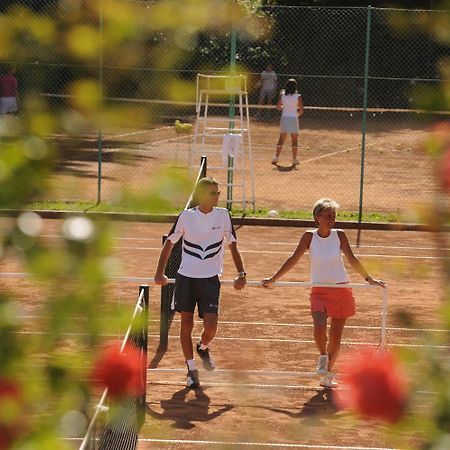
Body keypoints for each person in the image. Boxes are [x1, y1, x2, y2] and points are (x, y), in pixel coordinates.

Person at [261, 198, 385, 388]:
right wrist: (274, 278)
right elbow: (294, 258)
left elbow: (352, 259)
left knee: (336, 336)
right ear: (317, 217)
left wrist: (369, 279)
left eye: (334, 216)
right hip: (319, 290)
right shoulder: (309, 237)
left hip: (341, 288)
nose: (332, 219)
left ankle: (327, 374)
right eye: (328, 216)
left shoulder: (340, 235)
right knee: (319, 327)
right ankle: (322, 356)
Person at [154, 178, 247, 389]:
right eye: (213, 193)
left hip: (210, 279)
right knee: (186, 323)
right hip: (186, 278)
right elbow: (169, 244)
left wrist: (241, 273)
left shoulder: (223, 215)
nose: (217, 196)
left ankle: (203, 347)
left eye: (218, 192)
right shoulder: (186, 216)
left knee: (211, 327)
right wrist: (159, 273)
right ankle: (191, 369)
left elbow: (233, 246)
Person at [272, 78, 303, 167]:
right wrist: (295, 115)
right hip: (293, 118)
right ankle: (294, 159)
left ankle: (276, 158)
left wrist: (285, 108)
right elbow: (301, 110)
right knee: (294, 141)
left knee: (281, 139)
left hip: (284, 118)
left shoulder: (283, 96)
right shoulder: (298, 96)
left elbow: (278, 107)